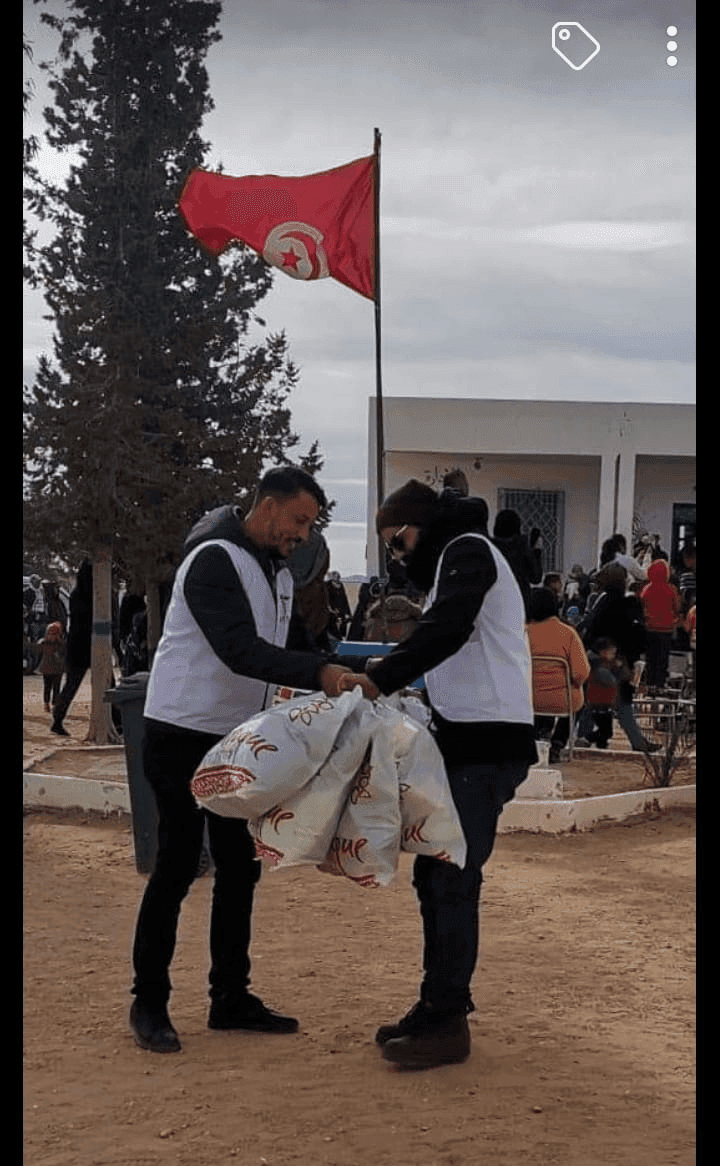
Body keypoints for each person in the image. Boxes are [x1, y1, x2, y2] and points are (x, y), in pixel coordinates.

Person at [129, 466, 353, 1054]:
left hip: (235, 739)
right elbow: (239, 651)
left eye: (309, 525)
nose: (303, 535)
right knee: (177, 864)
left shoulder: (277, 573)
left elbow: (293, 647)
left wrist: (350, 672)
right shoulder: (213, 559)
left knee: (238, 865)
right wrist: (318, 673)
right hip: (179, 732)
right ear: (268, 506)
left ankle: (229, 996)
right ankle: (148, 1002)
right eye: (299, 521)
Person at [337, 478, 537, 1070]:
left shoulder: (467, 550)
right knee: (438, 871)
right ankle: (436, 1005)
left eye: (398, 542)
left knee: (450, 874)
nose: (399, 557)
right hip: (468, 742)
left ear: (420, 523)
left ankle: (447, 1020)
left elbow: (448, 629)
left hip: (487, 746)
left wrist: (380, 675)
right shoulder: (461, 552)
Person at [579, 564, 659, 753]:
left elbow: (590, 627)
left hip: (600, 657)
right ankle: (637, 741)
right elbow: (636, 634)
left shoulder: (603, 601)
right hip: (618, 659)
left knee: (594, 700)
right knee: (621, 702)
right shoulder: (627, 603)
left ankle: (583, 735)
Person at [526, 587, 590, 763]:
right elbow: (581, 673)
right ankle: (558, 743)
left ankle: (539, 734)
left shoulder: (521, 633)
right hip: (563, 701)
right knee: (581, 688)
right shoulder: (568, 633)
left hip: (527, 700)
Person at [51, 560, 93, 737]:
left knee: (71, 684)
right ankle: (57, 719)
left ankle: (58, 719)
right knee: (73, 684)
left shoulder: (77, 594)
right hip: (84, 644)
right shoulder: (89, 595)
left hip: (78, 644)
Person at [491, 509, 543, 619]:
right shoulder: (521, 546)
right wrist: (536, 552)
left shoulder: (491, 546)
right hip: (520, 602)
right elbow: (536, 577)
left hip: (496, 602)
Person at [640, 559, 681, 690]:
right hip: (666, 630)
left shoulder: (646, 589)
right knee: (662, 661)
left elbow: (642, 607)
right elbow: (677, 607)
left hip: (650, 629)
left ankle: (650, 686)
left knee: (650, 660)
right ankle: (660, 687)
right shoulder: (671, 589)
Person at [38, 621, 66, 712]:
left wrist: (59, 641)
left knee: (56, 688)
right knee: (47, 687)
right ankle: (46, 703)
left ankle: (55, 704)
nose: (52, 635)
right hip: (47, 668)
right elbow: (38, 651)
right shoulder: (44, 642)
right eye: (50, 633)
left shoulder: (61, 644)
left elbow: (64, 653)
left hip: (58, 669)